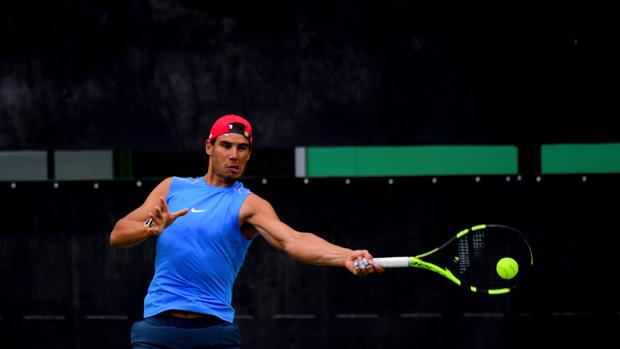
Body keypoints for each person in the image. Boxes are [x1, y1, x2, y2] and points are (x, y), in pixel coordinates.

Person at [109, 114, 383, 348]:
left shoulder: (249, 205)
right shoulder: (172, 188)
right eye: (226, 145)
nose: (233, 155)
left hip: (213, 331)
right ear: (209, 147)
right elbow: (118, 234)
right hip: (158, 328)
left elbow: (293, 240)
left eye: (242, 148)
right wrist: (150, 229)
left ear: (249, 154)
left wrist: (345, 255)